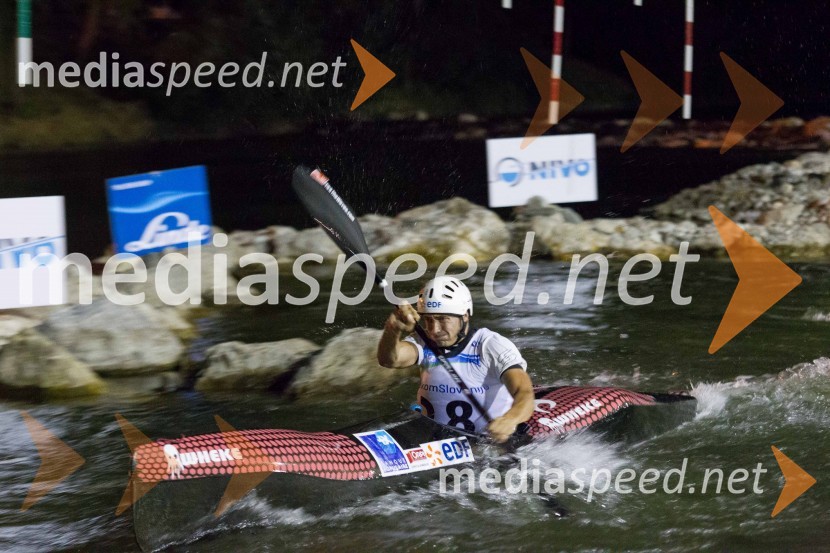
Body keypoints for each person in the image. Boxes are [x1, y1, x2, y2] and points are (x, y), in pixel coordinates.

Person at [377, 276, 534, 443]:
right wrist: (393, 327)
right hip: (432, 439)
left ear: (464, 316)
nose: (434, 329)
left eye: (443, 319)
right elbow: (389, 360)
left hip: (485, 443)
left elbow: (524, 393)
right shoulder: (423, 341)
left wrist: (510, 420)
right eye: (428, 320)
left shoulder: (491, 345)